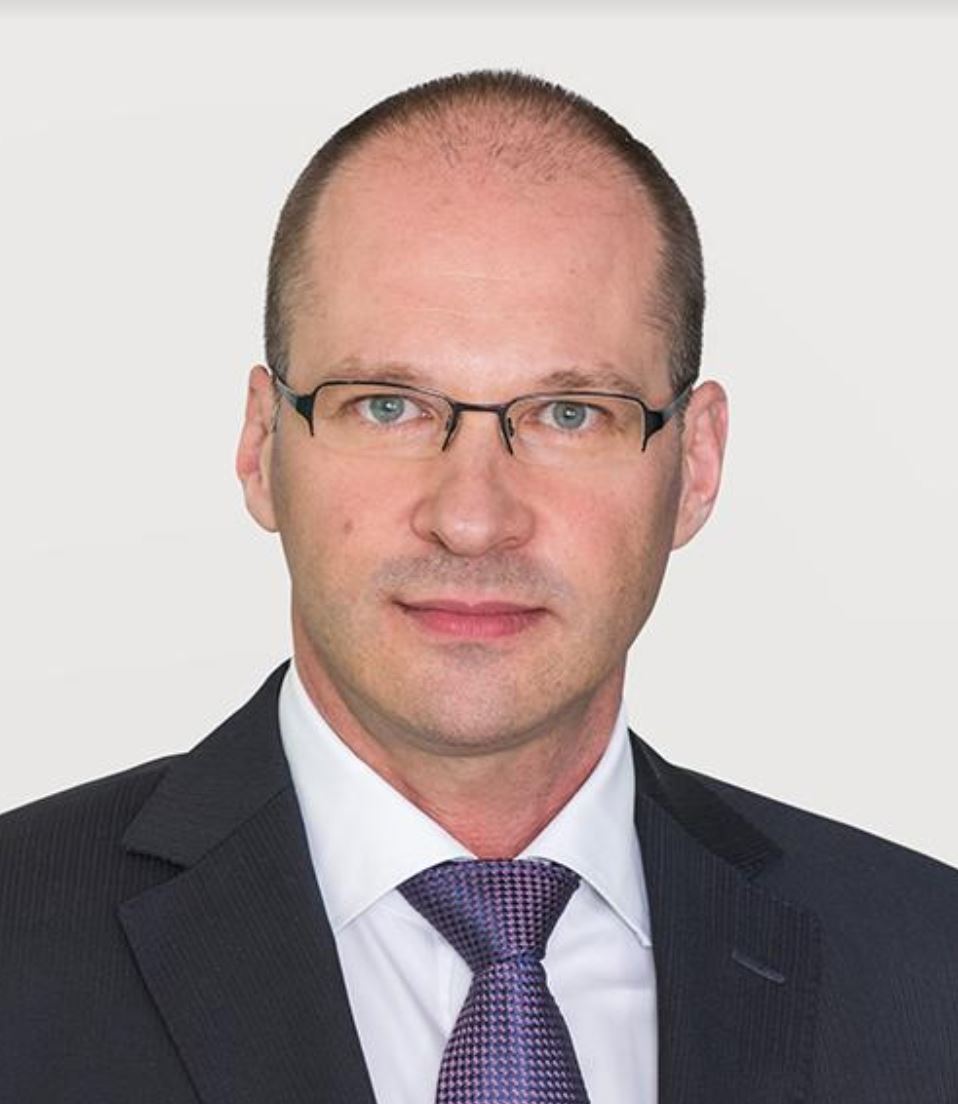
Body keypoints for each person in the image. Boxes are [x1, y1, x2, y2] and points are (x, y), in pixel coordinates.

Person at [1, 69, 956, 1104]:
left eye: (570, 415)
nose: (471, 518)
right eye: (387, 406)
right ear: (261, 446)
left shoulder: (928, 970)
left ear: (695, 465)